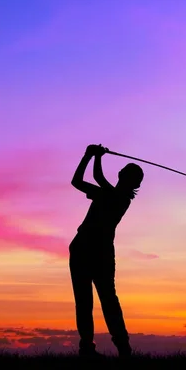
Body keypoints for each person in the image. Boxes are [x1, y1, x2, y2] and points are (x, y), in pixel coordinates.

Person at [69, 143, 144, 358]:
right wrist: (89, 156)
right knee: (87, 300)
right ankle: (92, 349)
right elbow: (77, 182)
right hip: (85, 247)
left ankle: (122, 348)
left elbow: (98, 178)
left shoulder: (119, 198)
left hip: (96, 249)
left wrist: (94, 156)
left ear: (128, 180)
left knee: (106, 300)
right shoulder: (107, 193)